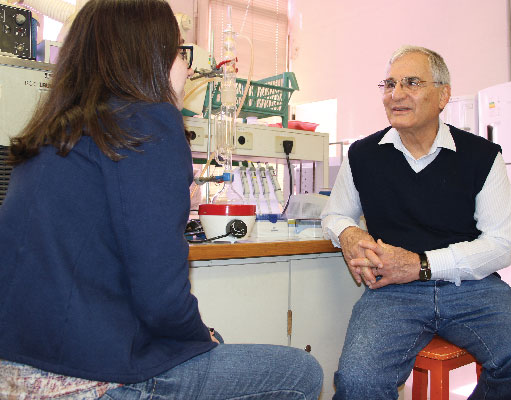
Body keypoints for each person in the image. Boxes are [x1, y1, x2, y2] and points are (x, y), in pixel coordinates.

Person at [0, 0, 322, 399]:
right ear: (153, 58)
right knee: (299, 373)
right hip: (91, 379)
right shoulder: (149, 123)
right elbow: (161, 298)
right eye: (180, 52)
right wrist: (200, 336)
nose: (187, 68)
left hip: (16, 368)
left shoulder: (51, 133)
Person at [321, 45, 511, 400]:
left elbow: (502, 245)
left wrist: (420, 265)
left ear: (443, 95)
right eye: (389, 84)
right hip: (392, 292)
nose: (396, 94)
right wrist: (348, 231)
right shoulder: (362, 154)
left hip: (471, 287)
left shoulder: (482, 156)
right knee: (358, 383)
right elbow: (335, 212)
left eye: (411, 83)